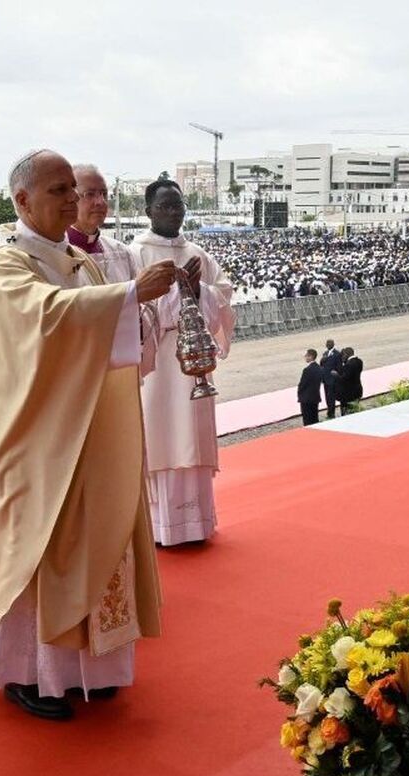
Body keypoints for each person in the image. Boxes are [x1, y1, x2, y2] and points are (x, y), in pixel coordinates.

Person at [0, 149, 179, 721]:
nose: (72, 200)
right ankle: (30, 675)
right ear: (21, 200)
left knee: (96, 541)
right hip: (34, 442)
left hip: (88, 433)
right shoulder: (6, 267)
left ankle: (94, 665)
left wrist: (138, 305)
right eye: (57, 190)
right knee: (39, 550)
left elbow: (107, 338)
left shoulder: (80, 260)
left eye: (74, 188)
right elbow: (44, 319)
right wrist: (127, 296)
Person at [130, 178, 234, 546]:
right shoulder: (136, 253)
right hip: (158, 360)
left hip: (194, 362)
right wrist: (173, 294)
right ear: (149, 211)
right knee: (160, 434)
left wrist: (197, 291)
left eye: (179, 205)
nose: (174, 212)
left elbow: (223, 296)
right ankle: (162, 528)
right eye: (166, 206)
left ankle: (198, 523)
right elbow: (129, 306)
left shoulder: (198, 253)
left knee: (193, 434)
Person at [67, 164, 140, 284]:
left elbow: (140, 299)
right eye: (89, 194)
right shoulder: (57, 254)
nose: (100, 202)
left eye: (104, 194)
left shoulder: (121, 252)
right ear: (70, 198)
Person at [297, 348, 322, 425]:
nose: (305, 357)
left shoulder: (307, 370)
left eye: (306, 356)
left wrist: (300, 394)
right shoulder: (319, 368)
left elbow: (302, 384)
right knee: (314, 418)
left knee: (307, 419)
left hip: (307, 398)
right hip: (315, 397)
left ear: (311, 357)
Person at [320, 338, 342, 418]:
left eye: (329, 343)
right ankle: (329, 410)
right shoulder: (325, 353)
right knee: (327, 397)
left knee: (331, 397)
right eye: (327, 343)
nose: (327, 345)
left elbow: (339, 367)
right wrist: (322, 360)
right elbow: (322, 365)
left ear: (333, 344)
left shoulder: (337, 354)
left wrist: (337, 376)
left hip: (332, 379)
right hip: (325, 379)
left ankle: (331, 413)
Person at [338, 347, 364, 414]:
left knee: (349, 412)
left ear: (346, 354)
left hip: (349, 394)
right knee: (355, 410)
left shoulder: (349, 365)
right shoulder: (359, 361)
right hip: (358, 390)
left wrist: (336, 375)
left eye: (343, 355)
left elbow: (344, 378)